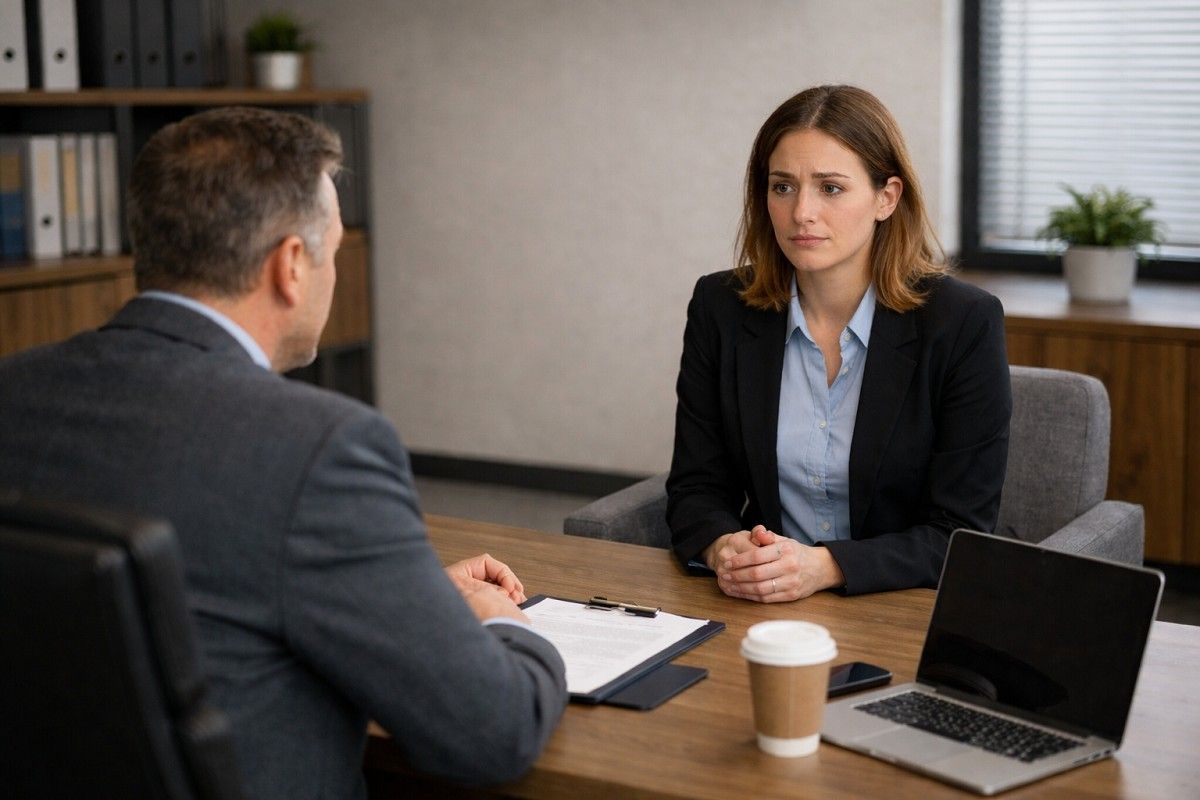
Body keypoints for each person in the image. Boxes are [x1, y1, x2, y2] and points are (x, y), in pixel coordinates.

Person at [0, 107, 566, 798]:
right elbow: (493, 732)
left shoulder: (14, 387)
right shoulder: (321, 448)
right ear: (292, 266)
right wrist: (508, 627)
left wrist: (403, 598)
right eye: (334, 249)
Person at [667, 85, 1011, 600]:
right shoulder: (721, 306)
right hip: (764, 606)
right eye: (782, 187)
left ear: (886, 198)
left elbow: (960, 532)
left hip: (905, 603)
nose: (801, 212)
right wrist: (726, 548)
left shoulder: (962, 322)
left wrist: (826, 567)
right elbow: (696, 487)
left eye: (830, 188)